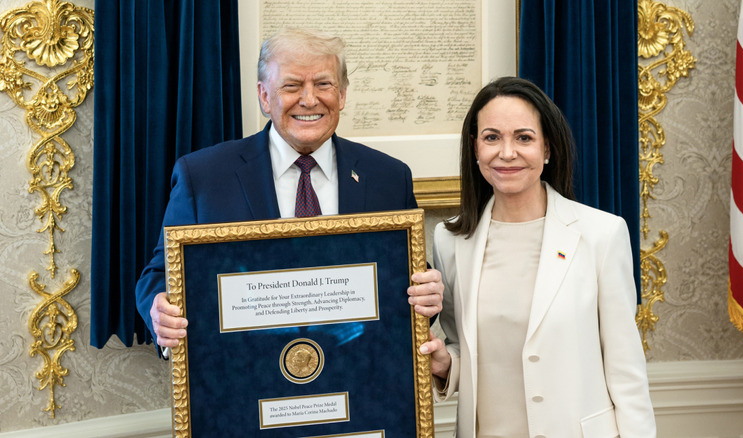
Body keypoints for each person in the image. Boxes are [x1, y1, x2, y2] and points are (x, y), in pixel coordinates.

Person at [135, 28, 443, 351]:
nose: (309, 100)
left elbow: (407, 282)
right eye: (292, 86)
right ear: (265, 96)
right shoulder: (203, 178)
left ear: (342, 95)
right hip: (244, 380)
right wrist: (160, 310)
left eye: (323, 84)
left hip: (358, 379)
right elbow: (159, 275)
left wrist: (428, 294)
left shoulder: (389, 178)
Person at [421, 77, 656, 437]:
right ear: (475, 149)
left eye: (524, 137)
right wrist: (444, 364)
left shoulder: (601, 235)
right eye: (492, 137)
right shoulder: (451, 240)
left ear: (547, 149)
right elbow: (463, 346)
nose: (507, 152)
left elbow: (626, 369)